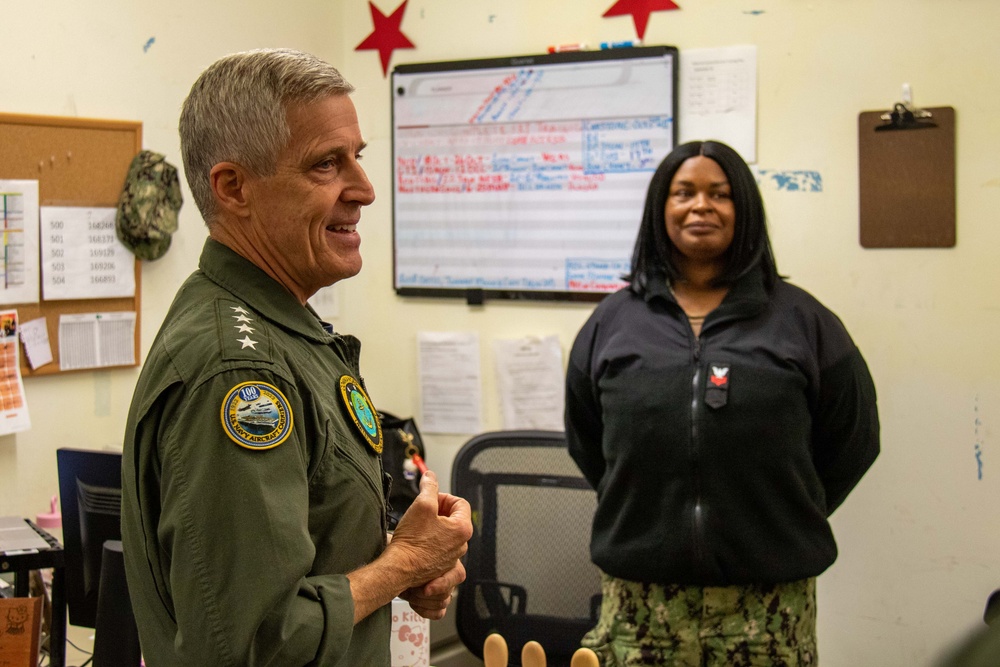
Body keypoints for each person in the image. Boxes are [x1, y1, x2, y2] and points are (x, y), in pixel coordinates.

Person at [121, 49, 473, 666]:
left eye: (356, 157)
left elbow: (297, 557)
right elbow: (258, 642)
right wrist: (401, 565)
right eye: (326, 164)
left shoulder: (281, 327)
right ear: (234, 188)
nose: (363, 190)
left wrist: (400, 556)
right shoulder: (239, 372)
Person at [564, 140, 879, 666]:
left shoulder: (804, 323)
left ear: (745, 210)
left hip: (767, 610)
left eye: (721, 193)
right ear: (661, 208)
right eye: (684, 192)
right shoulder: (611, 323)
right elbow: (588, 441)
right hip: (640, 608)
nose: (701, 205)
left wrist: (781, 511)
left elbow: (852, 441)